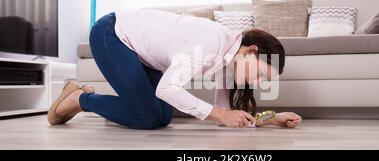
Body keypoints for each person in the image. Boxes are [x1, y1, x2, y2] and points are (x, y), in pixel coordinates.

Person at [47, 9, 302, 130]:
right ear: (252, 51)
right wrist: (216, 114)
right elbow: (168, 88)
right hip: (112, 33)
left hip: (141, 53)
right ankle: (79, 98)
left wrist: (269, 119)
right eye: (260, 73)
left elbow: (225, 113)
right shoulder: (211, 42)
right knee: (146, 117)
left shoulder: (228, 60)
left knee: (163, 117)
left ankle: (85, 98)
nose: (256, 82)